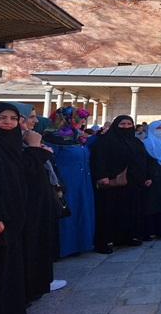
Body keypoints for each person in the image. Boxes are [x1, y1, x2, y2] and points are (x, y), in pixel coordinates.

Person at [0, 103, 52, 313]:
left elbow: (18, 173)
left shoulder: (9, 144)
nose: (7, 122)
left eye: (12, 118)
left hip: (14, 215)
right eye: (0, 118)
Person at [89, 115, 154, 253]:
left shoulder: (136, 142)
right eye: (122, 124)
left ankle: (125, 237)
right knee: (109, 212)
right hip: (113, 183)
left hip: (133, 183)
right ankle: (103, 242)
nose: (126, 127)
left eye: (129, 124)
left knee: (128, 211)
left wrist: (147, 176)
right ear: (115, 125)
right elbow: (98, 159)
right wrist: (102, 176)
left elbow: (144, 159)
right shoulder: (105, 141)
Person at [42, 106, 95, 258]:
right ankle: (66, 246)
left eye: (84, 119)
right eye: (79, 119)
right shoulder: (52, 137)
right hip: (67, 181)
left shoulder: (77, 136)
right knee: (67, 211)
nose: (82, 122)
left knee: (81, 209)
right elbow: (49, 160)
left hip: (82, 180)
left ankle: (81, 243)